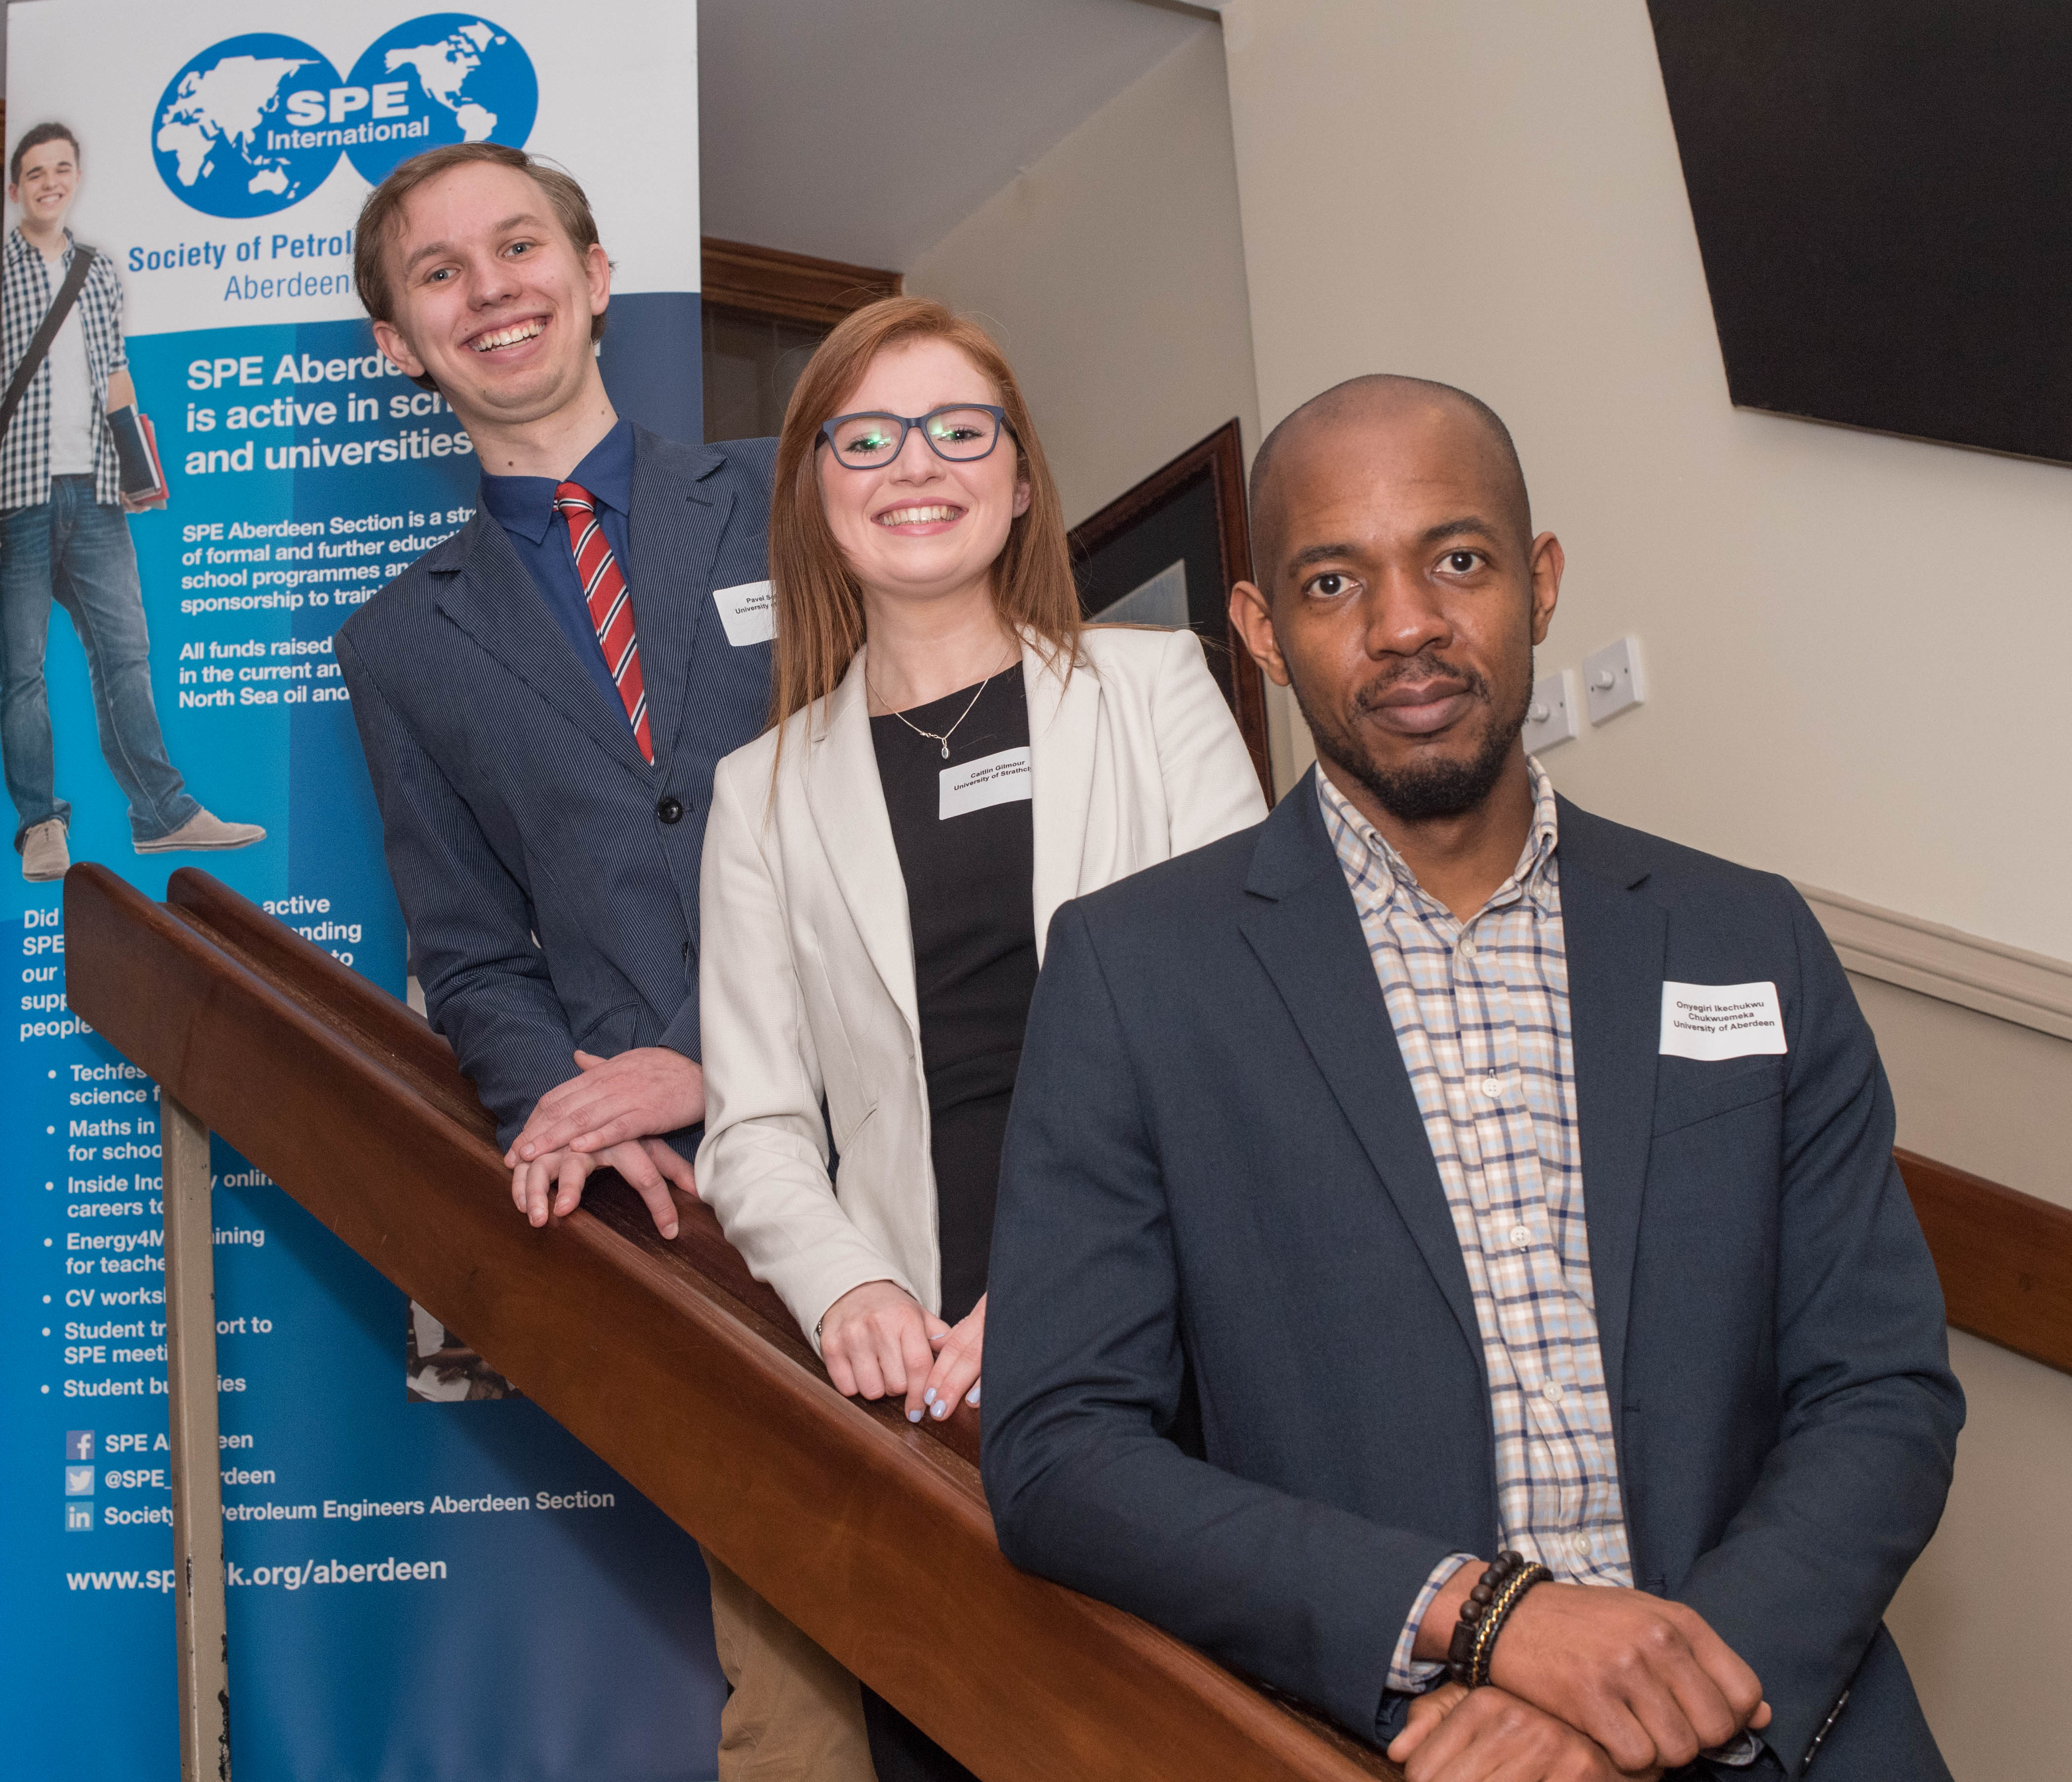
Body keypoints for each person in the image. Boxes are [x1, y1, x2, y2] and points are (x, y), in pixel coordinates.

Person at [981, 375, 1963, 1782]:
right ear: (1260, 630)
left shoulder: (1745, 936)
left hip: (1772, 1721)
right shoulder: (1134, 976)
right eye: (1332, 580)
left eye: (1454, 559)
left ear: (1539, 581)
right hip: (1409, 1746)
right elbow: (1059, 1453)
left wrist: (1651, 1674)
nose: (1404, 627)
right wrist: (1490, 1620)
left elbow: (1879, 1389)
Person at [332, 141, 872, 1782]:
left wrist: (728, 1054)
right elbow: (472, 954)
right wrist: (566, 1113)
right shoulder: (398, 644)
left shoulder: (798, 507)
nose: (490, 286)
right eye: (440, 273)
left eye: (519, 246)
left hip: (921, 1119)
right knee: (796, 1657)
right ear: (398, 346)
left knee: (1046, 1577)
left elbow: (907, 820)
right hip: (691, 1204)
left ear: (594, 276)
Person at [692, 295, 1267, 1779]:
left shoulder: (1157, 689)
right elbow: (752, 1124)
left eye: (960, 429)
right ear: (816, 498)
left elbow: (1247, 1027)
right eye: (864, 436)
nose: (914, 464)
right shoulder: (755, 792)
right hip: (929, 1377)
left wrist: (1069, 1289)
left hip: (1182, 1325)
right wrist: (846, 1291)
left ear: (1017, 480)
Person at [0, 121, 263, 881]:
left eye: (63, 169)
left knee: (126, 654)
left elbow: (116, 374)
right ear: (15, 189)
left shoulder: (99, 267)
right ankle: (41, 826)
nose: (51, 182)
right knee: (20, 670)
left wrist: (139, 473)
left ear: (75, 177)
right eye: (36, 173)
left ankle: (164, 815)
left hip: (96, 495)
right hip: (16, 494)